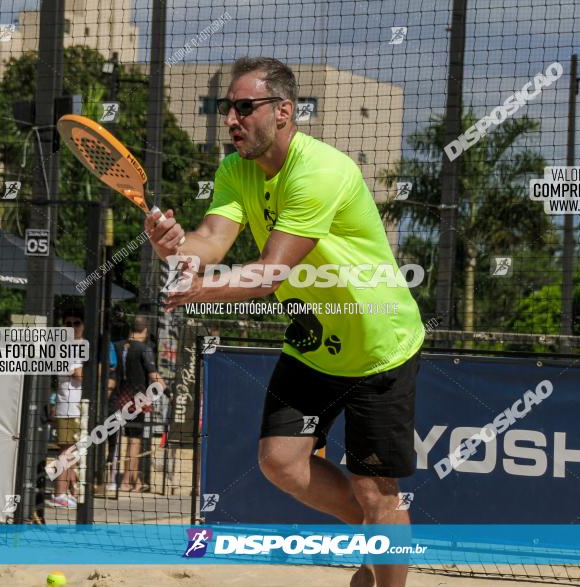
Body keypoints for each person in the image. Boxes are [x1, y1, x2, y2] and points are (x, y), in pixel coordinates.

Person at [145, 57, 423, 587]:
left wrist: (200, 288)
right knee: (280, 463)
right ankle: (376, 536)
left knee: (375, 490)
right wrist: (178, 250)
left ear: (283, 112)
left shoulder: (319, 170)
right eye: (228, 108)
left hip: (378, 344)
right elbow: (210, 241)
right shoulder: (234, 169)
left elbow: (270, 273)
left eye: (244, 108)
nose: (232, 119)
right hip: (314, 341)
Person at [108, 314, 166, 492]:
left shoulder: (116, 346)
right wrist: (168, 390)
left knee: (114, 439)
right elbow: (153, 375)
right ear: (145, 330)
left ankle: (120, 480)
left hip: (115, 398)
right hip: (136, 400)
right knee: (134, 440)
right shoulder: (144, 348)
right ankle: (127, 481)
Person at [48, 308, 85, 509]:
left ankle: (69, 491)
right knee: (65, 451)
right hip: (69, 406)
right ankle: (60, 493)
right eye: (68, 324)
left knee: (72, 451)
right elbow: (79, 374)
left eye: (76, 323)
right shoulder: (68, 346)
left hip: (75, 406)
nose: (71, 328)